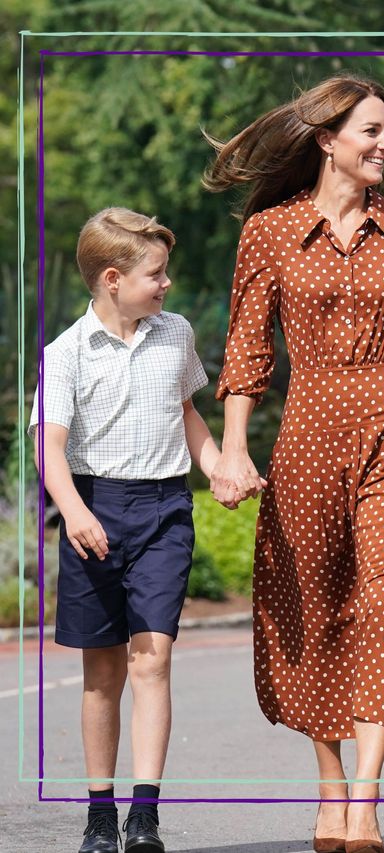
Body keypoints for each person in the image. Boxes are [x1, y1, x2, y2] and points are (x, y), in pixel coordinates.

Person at [203, 74, 384, 853]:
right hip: (308, 436)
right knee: (312, 610)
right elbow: (247, 351)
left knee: (380, 603)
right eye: (371, 132)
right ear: (327, 139)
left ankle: (365, 798)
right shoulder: (271, 234)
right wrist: (231, 447)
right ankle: (328, 785)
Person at [30, 208, 223, 853]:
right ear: (113, 279)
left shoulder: (176, 334)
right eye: (156, 275)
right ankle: (99, 812)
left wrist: (217, 465)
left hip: (166, 510)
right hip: (94, 509)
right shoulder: (65, 355)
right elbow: (49, 451)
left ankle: (145, 814)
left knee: (154, 658)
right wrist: (76, 512)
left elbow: (188, 411)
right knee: (102, 672)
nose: (166, 285)